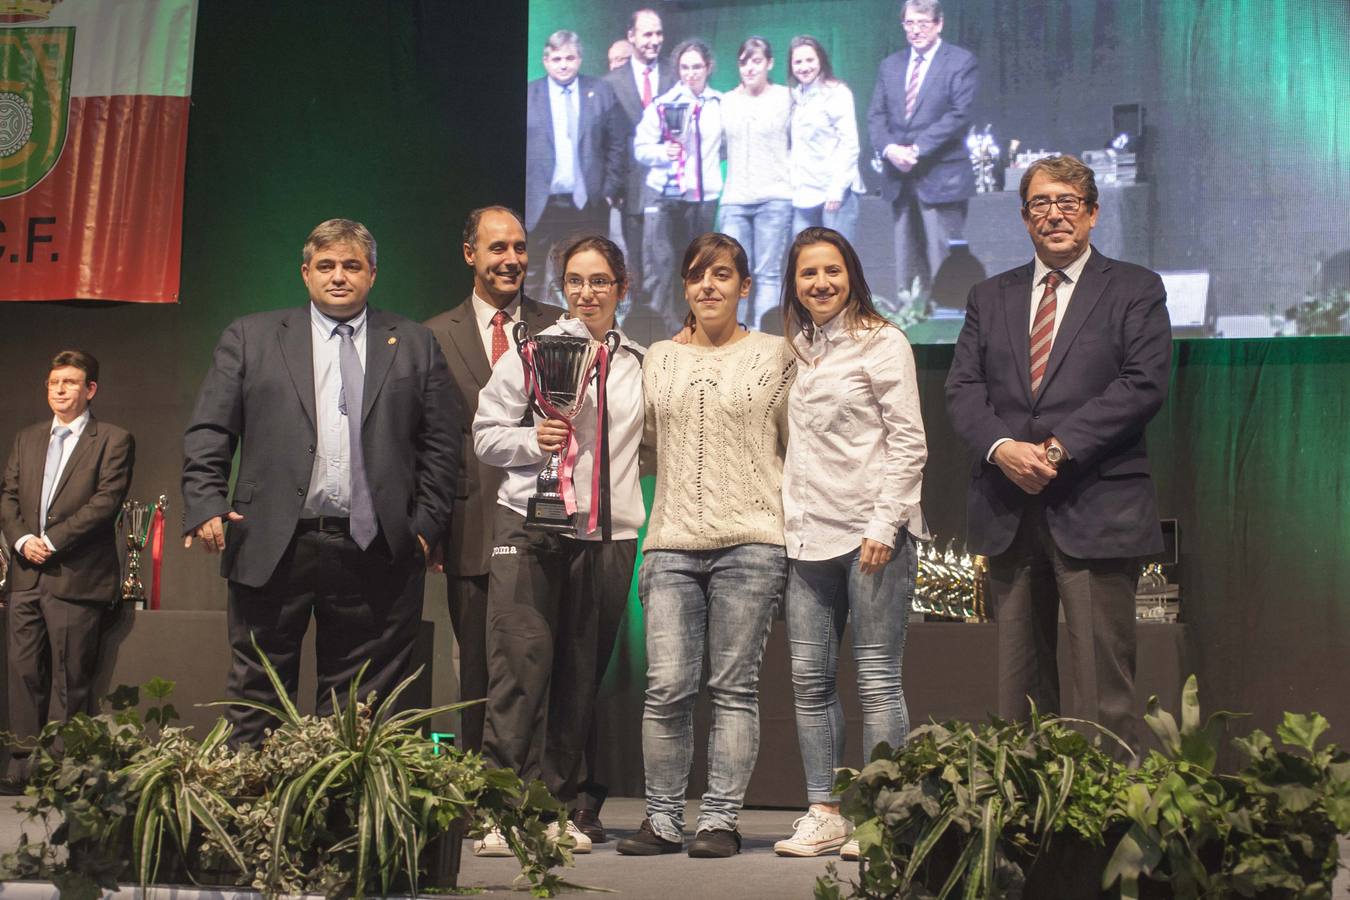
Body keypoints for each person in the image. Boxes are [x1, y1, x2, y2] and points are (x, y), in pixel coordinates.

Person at [182, 218, 459, 747]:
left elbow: (442, 445)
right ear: (305, 272)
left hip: (377, 549)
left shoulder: (415, 343)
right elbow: (210, 429)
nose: (339, 276)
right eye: (326, 265)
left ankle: (340, 825)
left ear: (372, 274)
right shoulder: (251, 336)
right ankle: (256, 823)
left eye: (352, 265)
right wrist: (206, 501)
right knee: (255, 696)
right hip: (271, 541)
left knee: (359, 709)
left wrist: (423, 526)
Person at [944, 155, 1172, 756]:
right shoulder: (989, 296)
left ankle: (1109, 829)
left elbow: (1143, 384)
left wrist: (1056, 447)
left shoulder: (1135, 288)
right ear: (1024, 218)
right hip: (1009, 511)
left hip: (1097, 507)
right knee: (1020, 691)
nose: (1055, 214)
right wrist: (1001, 449)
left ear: (1093, 213)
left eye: (1068, 202)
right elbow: (963, 389)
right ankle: (1030, 824)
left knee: (1104, 691)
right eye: (1041, 203)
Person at [616, 233, 796, 859]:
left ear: (745, 286)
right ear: (685, 286)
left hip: (751, 541)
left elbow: (800, 447)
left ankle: (719, 820)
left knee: (733, 688)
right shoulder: (658, 357)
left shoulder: (777, 354)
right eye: (697, 276)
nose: (708, 286)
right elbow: (637, 447)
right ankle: (662, 820)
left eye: (722, 275)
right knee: (666, 686)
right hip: (668, 543)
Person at [472, 235, 646, 856]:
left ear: (622, 288)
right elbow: (486, 435)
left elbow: (646, 445)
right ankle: (500, 809)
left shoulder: (640, 362)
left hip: (608, 533)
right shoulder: (531, 351)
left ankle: (559, 806)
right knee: (520, 667)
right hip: (530, 523)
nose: (587, 292)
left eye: (600, 281)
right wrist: (533, 441)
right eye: (575, 281)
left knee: (579, 676)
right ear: (563, 286)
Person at [770, 228, 927, 860]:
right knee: (809, 682)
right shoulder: (796, 347)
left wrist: (883, 525)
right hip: (807, 538)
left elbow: (909, 441)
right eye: (809, 274)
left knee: (878, 679)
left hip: (871, 535)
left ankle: (887, 817)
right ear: (795, 283)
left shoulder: (882, 342)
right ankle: (825, 811)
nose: (821, 284)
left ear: (852, 274)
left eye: (832, 271)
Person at [423, 206, 561, 758]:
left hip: (553, 525)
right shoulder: (432, 335)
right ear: (470, 255)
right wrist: (432, 526)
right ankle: (481, 796)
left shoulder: (560, 327)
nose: (511, 259)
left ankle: (543, 796)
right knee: (479, 669)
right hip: (472, 526)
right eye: (498, 248)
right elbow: (428, 440)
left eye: (520, 248)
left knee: (548, 665)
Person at [1, 351, 134, 791]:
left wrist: (52, 542)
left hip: (76, 577)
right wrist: (22, 540)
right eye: (54, 382)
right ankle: (23, 764)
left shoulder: (113, 439)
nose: (59, 390)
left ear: (89, 389)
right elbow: (8, 497)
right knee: (23, 672)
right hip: (25, 576)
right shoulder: (27, 438)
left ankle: (63, 769)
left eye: (70, 383)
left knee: (68, 677)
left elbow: (106, 502)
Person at [867, 0, 977, 295]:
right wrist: (890, 149)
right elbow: (876, 116)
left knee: (944, 264)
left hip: (942, 177)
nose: (915, 30)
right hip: (899, 179)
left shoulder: (960, 61)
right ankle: (911, 332)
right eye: (909, 23)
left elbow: (959, 114)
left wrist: (916, 149)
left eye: (922, 23)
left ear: (938, 24)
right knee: (907, 269)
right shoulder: (890, 65)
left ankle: (950, 335)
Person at [525, 31, 626, 304]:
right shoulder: (528, 95)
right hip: (539, 202)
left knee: (586, 273)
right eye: (556, 58)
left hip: (586, 202)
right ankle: (531, 332)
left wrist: (608, 190)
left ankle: (583, 335)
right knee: (532, 274)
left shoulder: (600, 91)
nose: (563, 64)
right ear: (545, 61)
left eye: (570, 57)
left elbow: (617, 144)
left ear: (579, 59)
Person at [634, 40, 725, 334]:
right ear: (678, 69)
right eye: (685, 67)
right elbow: (641, 147)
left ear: (708, 67)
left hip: (705, 197)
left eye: (697, 66)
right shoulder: (663, 104)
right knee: (665, 265)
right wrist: (664, 153)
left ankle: (697, 325)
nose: (691, 73)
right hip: (667, 196)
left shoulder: (721, 103)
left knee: (700, 265)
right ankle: (663, 328)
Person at [604, 9, 675, 315]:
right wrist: (612, 185)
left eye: (658, 33)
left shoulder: (675, 74)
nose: (655, 40)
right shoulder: (611, 82)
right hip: (629, 188)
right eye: (647, 34)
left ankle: (671, 324)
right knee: (634, 263)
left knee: (669, 260)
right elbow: (608, 140)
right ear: (631, 36)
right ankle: (640, 325)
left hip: (671, 189)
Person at [720, 37, 793, 332]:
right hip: (735, 198)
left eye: (756, 61)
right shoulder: (727, 100)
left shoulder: (786, 98)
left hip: (775, 196)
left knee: (768, 273)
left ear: (769, 63)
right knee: (731, 270)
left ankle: (764, 339)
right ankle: (732, 336)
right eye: (743, 62)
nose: (749, 68)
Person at [788, 36, 865, 245]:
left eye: (809, 60)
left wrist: (837, 188)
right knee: (805, 260)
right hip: (804, 194)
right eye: (798, 62)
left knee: (836, 261)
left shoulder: (836, 93)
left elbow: (850, 144)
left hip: (835, 193)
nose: (804, 67)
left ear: (820, 60)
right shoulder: (795, 97)